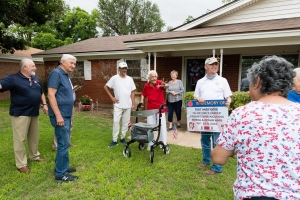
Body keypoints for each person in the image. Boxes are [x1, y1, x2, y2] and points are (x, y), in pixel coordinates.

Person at [211, 55, 300, 200]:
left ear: (257, 82)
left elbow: (218, 158)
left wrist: (234, 148)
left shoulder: (241, 114)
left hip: (252, 195)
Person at [0, 58, 47, 173]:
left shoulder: (35, 78)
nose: (35, 68)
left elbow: (40, 92)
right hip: (20, 114)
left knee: (34, 137)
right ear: (24, 67)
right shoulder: (13, 79)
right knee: (20, 139)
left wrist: (44, 104)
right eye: (33, 66)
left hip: (34, 112)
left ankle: (34, 156)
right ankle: (21, 164)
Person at [194, 56, 232, 175]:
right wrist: (198, 99)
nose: (214, 66)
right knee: (205, 139)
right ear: (206, 67)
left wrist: (229, 101)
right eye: (211, 64)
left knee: (217, 141)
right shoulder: (200, 82)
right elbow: (195, 96)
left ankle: (217, 167)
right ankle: (206, 160)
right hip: (205, 115)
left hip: (218, 115)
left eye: (216, 64)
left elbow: (228, 96)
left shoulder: (223, 80)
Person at [48, 54, 78, 183]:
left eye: (74, 64)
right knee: (63, 144)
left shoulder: (65, 75)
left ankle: (61, 167)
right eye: (71, 63)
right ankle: (60, 175)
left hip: (66, 113)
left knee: (64, 143)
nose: (73, 66)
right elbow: (51, 95)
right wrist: (58, 115)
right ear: (63, 62)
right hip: (61, 115)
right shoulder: (56, 73)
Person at [104, 61, 136, 147]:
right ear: (119, 69)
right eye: (122, 68)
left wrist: (133, 103)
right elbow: (106, 86)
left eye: (125, 68)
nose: (124, 70)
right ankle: (114, 140)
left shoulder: (130, 79)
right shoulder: (114, 78)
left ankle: (122, 138)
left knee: (125, 123)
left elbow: (133, 92)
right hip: (118, 104)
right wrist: (112, 97)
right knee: (116, 121)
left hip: (128, 105)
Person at [141, 70, 168, 150]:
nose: (154, 78)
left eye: (155, 76)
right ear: (149, 78)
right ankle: (150, 143)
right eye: (152, 76)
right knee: (150, 126)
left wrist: (165, 85)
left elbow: (166, 86)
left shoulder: (160, 82)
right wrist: (141, 100)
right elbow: (143, 94)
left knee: (162, 126)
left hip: (160, 108)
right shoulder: (147, 86)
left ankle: (163, 143)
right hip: (150, 108)